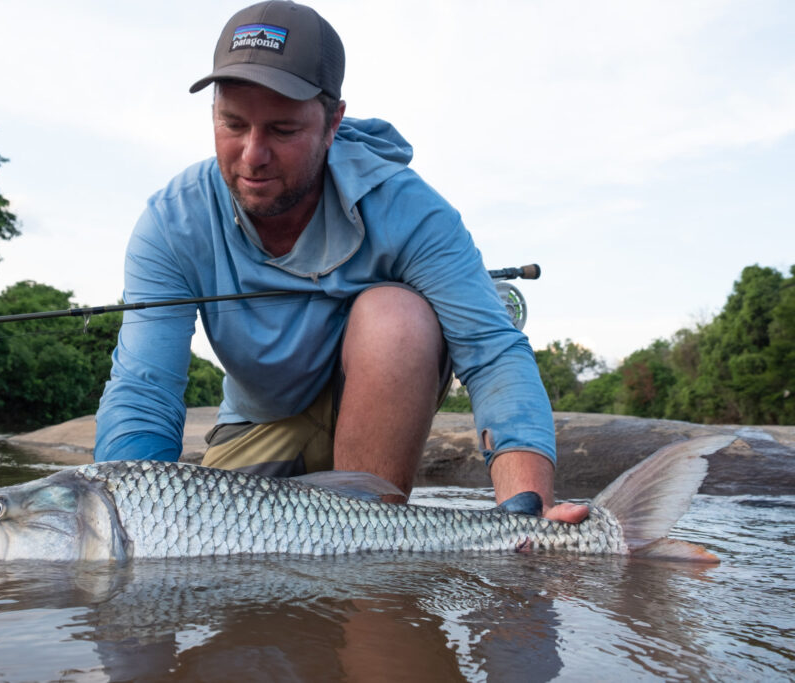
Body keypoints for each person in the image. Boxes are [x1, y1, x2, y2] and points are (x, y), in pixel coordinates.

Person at [95, 0, 587, 523]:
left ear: (333, 124)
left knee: (395, 315)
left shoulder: (411, 209)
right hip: (261, 421)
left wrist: (530, 509)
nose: (253, 154)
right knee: (203, 559)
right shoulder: (171, 222)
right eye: (232, 123)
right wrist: (120, 521)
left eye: (282, 130)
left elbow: (492, 352)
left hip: (386, 406)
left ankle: (372, 547)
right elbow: (145, 389)